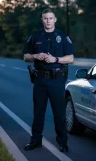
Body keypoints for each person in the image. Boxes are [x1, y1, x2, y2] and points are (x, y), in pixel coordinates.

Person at [22, 8, 74, 153]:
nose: (48, 21)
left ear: (55, 19)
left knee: (59, 114)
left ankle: (63, 142)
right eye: (45, 18)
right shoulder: (35, 36)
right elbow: (25, 56)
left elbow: (71, 58)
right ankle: (36, 141)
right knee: (38, 113)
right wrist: (35, 56)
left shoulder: (62, 36)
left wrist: (55, 59)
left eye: (50, 18)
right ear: (42, 20)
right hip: (39, 80)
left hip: (57, 80)